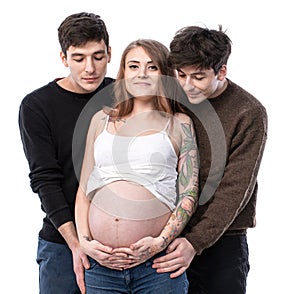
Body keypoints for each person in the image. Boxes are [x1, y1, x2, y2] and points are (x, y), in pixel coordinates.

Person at [74, 39, 199, 293]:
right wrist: (85, 242)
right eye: (133, 66)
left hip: (157, 266)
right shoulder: (101, 119)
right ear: (123, 73)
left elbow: (189, 193)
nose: (141, 73)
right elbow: (84, 190)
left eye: (152, 67)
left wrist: (160, 242)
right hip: (101, 267)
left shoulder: (179, 124)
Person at [152, 25, 268, 294]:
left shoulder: (248, 112)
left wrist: (195, 242)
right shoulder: (172, 98)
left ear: (222, 71)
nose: (187, 85)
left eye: (198, 77)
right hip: (168, 234)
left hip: (222, 241)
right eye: (181, 75)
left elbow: (236, 188)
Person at [18, 12, 113, 294]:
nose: (90, 68)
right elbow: (45, 179)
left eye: (98, 56)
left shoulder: (125, 94)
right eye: (79, 58)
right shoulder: (37, 105)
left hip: (117, 245)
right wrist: (75, 243)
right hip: (62, 242)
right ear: (63, 58)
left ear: (110, 52)